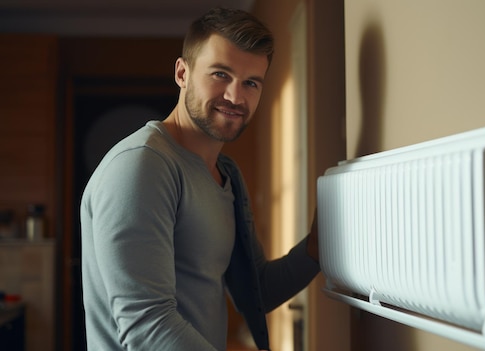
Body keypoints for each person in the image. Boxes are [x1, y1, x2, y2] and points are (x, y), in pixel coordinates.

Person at [80, 7, 320, 351]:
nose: (236, 97)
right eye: (221, 74)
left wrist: (315, 249)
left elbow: (257, 291)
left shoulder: (227, 175)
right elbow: (147, 327)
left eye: (250, 83)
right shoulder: (143, 166)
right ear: (182, 73)